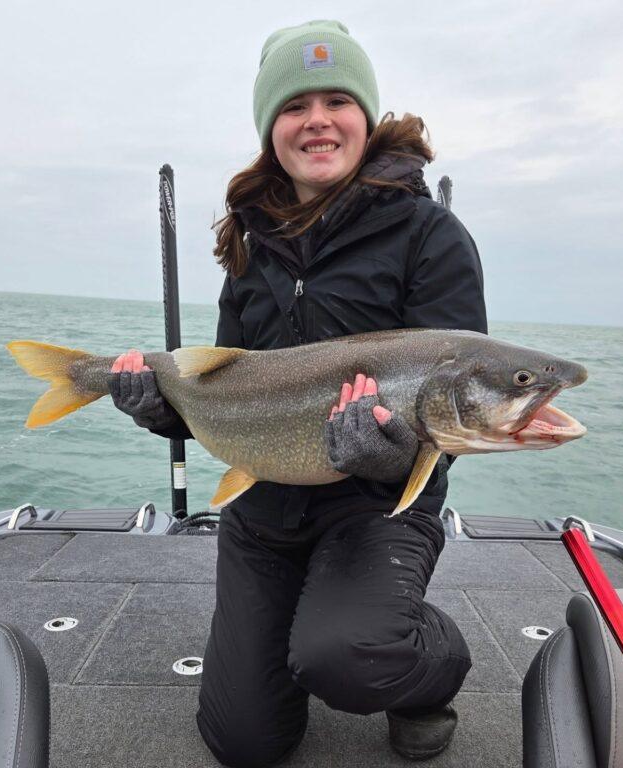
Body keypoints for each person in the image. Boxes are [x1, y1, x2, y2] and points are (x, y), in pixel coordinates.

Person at [111, 20, 487, 767]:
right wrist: (164, 409)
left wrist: (388, 454)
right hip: (263, 513)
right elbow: (225, 395)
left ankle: (429, 663)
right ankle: (340, 627)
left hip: (378, 509)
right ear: (271, 129)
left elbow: (450, 412)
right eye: (294, 105)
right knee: (244, 742)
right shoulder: (247, 245)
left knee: (348, 656)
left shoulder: (430, 236)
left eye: (336, 99)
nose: (316, 120)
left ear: (366, 117)